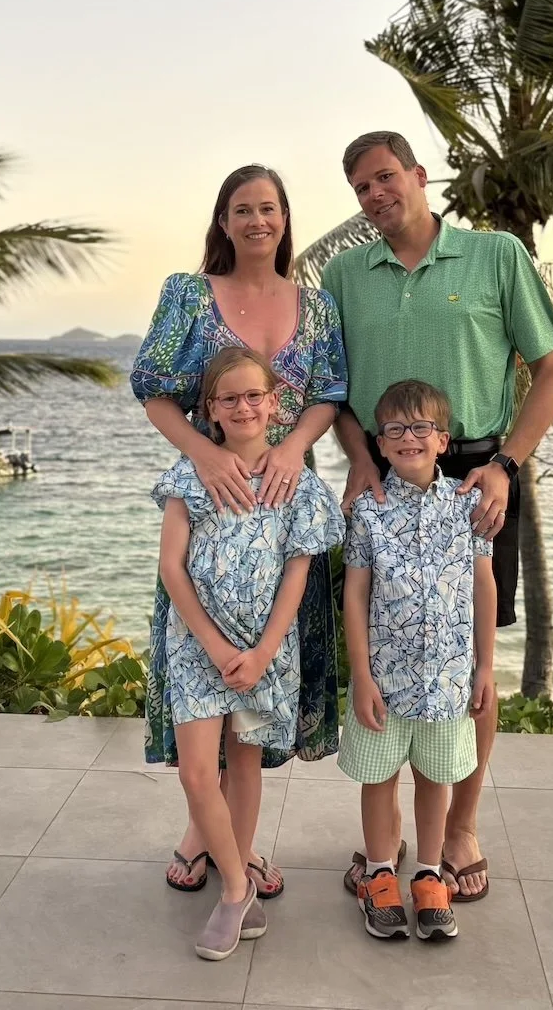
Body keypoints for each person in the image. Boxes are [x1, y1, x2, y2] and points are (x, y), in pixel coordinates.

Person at [321, 131, 553, 902]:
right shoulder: (342, 273)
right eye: (361, 186)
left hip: (477, 475)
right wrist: (361, 460)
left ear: (419, 176)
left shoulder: (495, 255)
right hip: (381, 473)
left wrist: (504, 466)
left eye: (386, 177)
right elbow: (333, 389)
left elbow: (552, 370)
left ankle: (459, 826)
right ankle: (386, 844)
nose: (375, 195)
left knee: (470, 655)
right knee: (385, 632)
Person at [131, 164, 347, 899]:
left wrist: (289, 450)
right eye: (242, 209)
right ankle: (213, 840)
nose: (258, 220)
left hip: (283, 498)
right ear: (223, 221)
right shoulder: (187, 295)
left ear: (286, 218)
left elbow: (330, 394)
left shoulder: (314, 306)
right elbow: (153, 390)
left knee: (261, 683)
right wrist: (206, 454)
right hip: (213, 498)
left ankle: (232, 847)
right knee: (207, 674)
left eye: (270, 208)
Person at [156, 346, 343, 959]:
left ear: (275, 404)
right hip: (196, 649)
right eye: (228, 398)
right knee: (195, 771)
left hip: (266, 655)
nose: (242, 407)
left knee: (244, 764)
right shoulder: (191, 475)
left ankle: (235, 893)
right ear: (210, 410)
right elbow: (172, 569)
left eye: (253, 396)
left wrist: (263, 651)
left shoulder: (297, 484)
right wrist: (211, 642)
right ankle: (237, 887)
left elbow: (298, 575)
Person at [340, 379, 496, 941]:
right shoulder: (368, 512)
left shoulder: (469, 504)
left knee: (436, 776)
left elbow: (484, 584)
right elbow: (354, 594)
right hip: (385, 676)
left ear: (443, 439)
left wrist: (484, 667)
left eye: (421, 428)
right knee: (379, 776)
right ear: (379, 444)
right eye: (396, 430)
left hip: (448, 680)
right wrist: (361, 675)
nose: (409, 438)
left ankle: (429, 873)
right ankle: (380, 873)